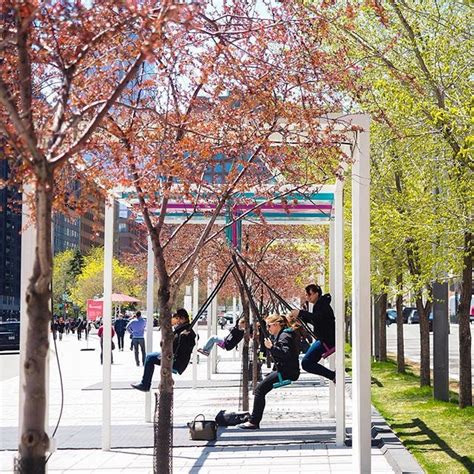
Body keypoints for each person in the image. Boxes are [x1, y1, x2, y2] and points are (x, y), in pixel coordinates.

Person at [238, 314, 300, 429]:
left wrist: (271, 348)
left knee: (259, 390)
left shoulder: (284, 336)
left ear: (277, 325)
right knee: (260, 389)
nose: (268, 328)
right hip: (286, 370)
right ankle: (254, 420)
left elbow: (285, 354)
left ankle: (254, 421)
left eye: (269, 326)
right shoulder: (282, 335)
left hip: (287, 371)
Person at [131, 308, 196, 392]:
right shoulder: (181, 329)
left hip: (176, 361)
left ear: (182, 319)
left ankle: (145, 384)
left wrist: (182, 337)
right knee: (150, 356)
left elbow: (183, 348)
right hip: (172, 357)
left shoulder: (187, 332)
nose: (174, 321)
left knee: (149, 358)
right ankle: (145, 384)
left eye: (176, 318)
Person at [289, 284, 335, 383]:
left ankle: (333, 376)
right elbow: (317, 320)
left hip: (326, 340)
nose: (307, 297)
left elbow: (317, 318)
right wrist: (301, 317)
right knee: (307, 363)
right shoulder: (320, 304)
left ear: (316, 294)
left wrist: (301, 313)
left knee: (306, 363)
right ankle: (332, 375)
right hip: (323, 339)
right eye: (306, 295)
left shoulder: (322, 305)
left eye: (309, 294)